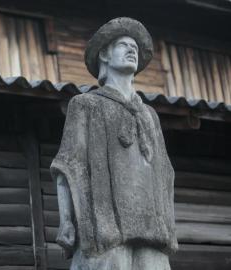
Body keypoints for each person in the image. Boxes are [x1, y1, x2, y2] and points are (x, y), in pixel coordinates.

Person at [50, 17, 178, 270]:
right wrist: (67, 222)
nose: (132, 49)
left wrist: (168, 228)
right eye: (123, 44)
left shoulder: (149, 115)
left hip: (153, 234)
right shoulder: (87, 104)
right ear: (105, 56)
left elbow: (165, 175)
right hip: (104, 231)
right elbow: (67, 166)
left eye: (135, 47)